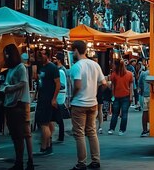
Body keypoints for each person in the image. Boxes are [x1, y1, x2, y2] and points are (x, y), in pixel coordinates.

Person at [69, 40, 107, 170]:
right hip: (93, 103)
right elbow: (104, 83)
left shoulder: (77, 66)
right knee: (92, 132)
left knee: (79, 134)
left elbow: (77, 85)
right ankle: (96, 160)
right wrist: (94, 92)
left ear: (76, 50)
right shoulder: (95, 65)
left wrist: (72, 97)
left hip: (79, 103)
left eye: (72, 50)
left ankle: (81, 163)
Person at [2, 44, 34, 170]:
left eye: (6, 53)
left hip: (19, 104)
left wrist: (9, 88)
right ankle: (20, 161)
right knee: (16, 134)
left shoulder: (20, 67)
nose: (5, 56)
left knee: (21, 134)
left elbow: (23, 83)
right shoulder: (11, 69)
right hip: (11, 103)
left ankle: (23, 161)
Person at [34, 49, 60, 156]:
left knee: (43, 123)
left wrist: (54, 99)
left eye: (43, 54)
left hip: (48, 99)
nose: (40, 56)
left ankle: (45, 148)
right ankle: (48, 146)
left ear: (48, 56)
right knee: (47, 123)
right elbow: (38, 80)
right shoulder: (42, 67)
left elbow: (58, 84)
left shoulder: (52, 68)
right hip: (42, 98)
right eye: (39, 54)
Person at [108, 60, 133, 136]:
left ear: (117, 65)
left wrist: (112, 96)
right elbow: (131, 86)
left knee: (115, 114)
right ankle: (122, 130)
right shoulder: (129, 74)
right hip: (126, 96)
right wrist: (131, 96)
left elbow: (112, 86)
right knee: (124, 114)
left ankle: (112, 128)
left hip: (116, 96)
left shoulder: (114, 74)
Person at [54, 52, 69, 142]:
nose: (54, 60)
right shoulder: (63, 69)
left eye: (56, 59)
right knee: (59, 118)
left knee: (59, 118)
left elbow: (62, 85)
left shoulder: (60, 71)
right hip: (62, 96)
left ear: (59, 60)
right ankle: (60, 136)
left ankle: (61, 136)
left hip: (59, 96)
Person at [138, 63, 150, 137]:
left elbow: (140, 85)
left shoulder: (143, 73)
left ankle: (145, 130)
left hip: (146, 95)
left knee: (145, 112)